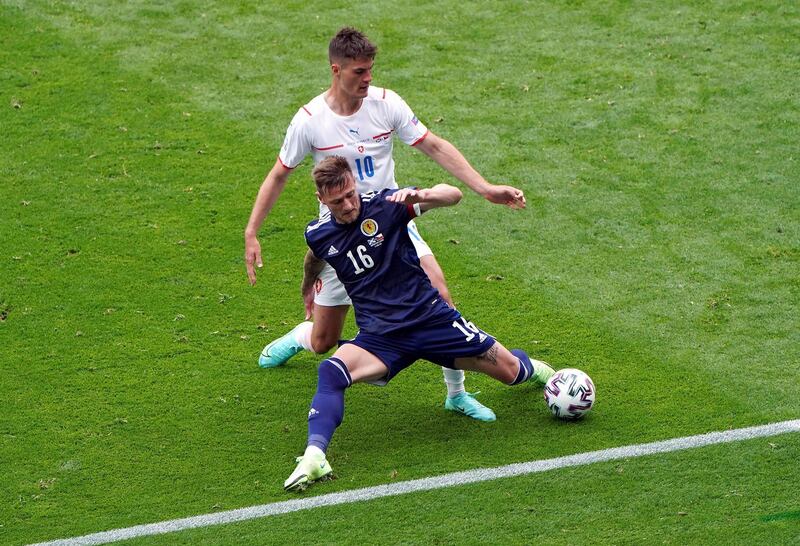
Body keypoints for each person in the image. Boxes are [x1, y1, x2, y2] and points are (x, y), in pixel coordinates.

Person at [244, 27, 527, 422]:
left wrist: (485, 188)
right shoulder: (310, 121)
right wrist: (252, 231)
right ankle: (298, 338)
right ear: (336, 70)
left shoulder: (385, 104)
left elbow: (433, 145)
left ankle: (456, 394)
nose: (368, 78)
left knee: (440, 297)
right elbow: (278, 174)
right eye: (360, 71)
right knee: (325, 340)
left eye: (370, 70)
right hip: (342, 239)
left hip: (391, 222)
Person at [283, 157, 555, 491]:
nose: (349, 204)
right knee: (331, 371)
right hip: (381, 336)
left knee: (511, 372)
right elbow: (315, 255)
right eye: (338, 201)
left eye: (351, 194)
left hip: (432, 321)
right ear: (321, 199)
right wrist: (308, 283)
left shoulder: (386, 207)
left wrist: (423, 195)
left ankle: (539, 371)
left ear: (355, 184)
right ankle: (314, 456)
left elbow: (453, 194)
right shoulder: (318, 233)